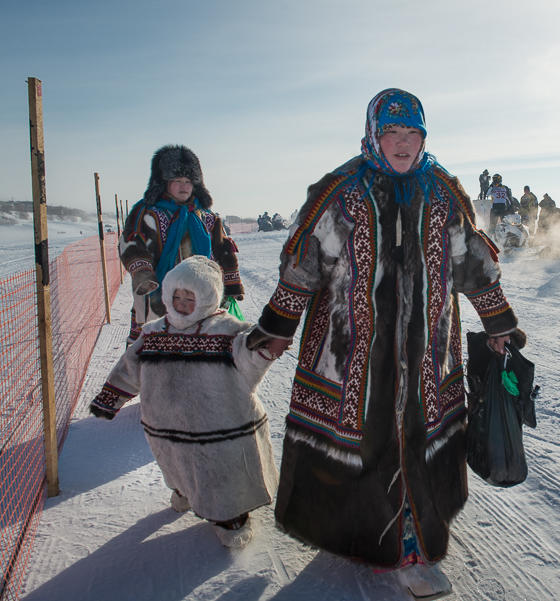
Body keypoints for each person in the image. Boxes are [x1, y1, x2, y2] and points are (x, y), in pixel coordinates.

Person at [248, 88, 524, 597]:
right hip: (351, 354)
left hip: (427, 353)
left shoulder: (443, 192)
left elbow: (474, 266)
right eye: (392, 133)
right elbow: (302, 265)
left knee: (416, 438)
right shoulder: (342, 191)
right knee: (368, 441)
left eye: (412, 133)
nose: (402, 144)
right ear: (374, 134)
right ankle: (377, 538)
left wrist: (498, 323)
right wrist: (277, 328)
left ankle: (411, 546)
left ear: (424, 137)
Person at [88, 256, 279, 548]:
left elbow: (248, 356)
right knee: (176, 463)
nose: (181, 303)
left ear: (208, 297)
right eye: (176, 295)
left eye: (190, 297)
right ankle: (185, 492)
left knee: (220, 470)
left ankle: (231, 516)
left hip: (218, 425)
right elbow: (130, 367)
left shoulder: (227, 331)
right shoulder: (154, 332)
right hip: (166, 425)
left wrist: (263, 345)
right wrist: (110, 399)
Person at [119, 145, 244, 344]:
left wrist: (231, 283)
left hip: (200, 301)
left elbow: (223, 249)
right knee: (151, 355)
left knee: (196, 356)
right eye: (177, 181)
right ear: (163, 183)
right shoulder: (146, 213)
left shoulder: (207, 217)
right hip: (156, 299)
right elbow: (131, 243)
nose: (184, 186)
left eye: (188, 181)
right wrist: (143, 273)